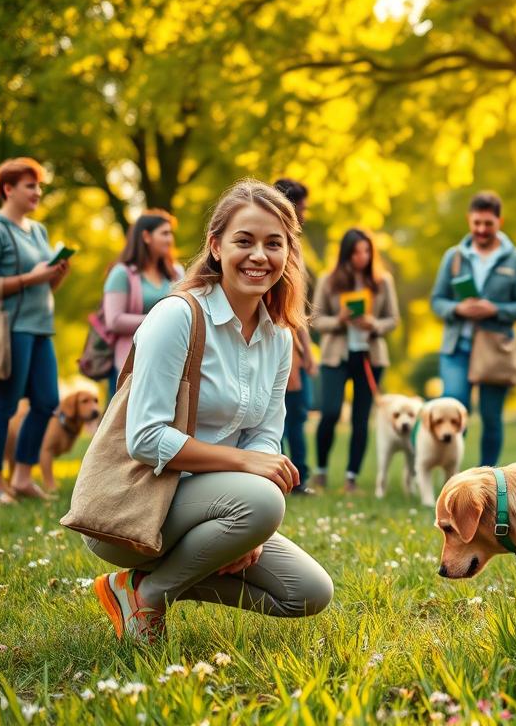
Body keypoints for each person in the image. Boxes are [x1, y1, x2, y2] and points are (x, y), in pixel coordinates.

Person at [85, 179, 332, 641]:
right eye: (244, 241)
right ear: (216, 246)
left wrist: (248, 530)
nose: (259, 255)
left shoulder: (278, 337)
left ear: (288, 253)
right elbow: (145, 438)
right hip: (136, 508)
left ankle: (137, 589)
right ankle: (150, 600)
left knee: (308, 592)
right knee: (263, 501)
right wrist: (246, 474)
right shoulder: (178, 316)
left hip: (224, 508)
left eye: (273, 243)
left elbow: (265, 433)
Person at [0, 158, 71, 504]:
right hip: (10, 330)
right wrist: (33, 277)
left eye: (39, 186)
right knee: (4, 405)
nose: (37, 192)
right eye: (30, 186)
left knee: (47, 402)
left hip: (40, 328)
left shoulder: (38, 231)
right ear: (8, 189)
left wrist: (56, 275)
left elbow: (42, 286)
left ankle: (23, 478)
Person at [430, 191, 516, 466]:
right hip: (457, 348)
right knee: (453, 409)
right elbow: (437, 301)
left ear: (500, 221)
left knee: (491, 417)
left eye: (488, 223)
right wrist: (457, 309)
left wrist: (495, 309)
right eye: (476, 223)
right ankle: (453, 476)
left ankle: (487, 476)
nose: (481, 229)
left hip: (495, 350)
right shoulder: (453, 257)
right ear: (469, 220)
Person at [312, 228, 398, 492]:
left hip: (369, 357)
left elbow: (393, 319)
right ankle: (321, 471)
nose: (362, 257)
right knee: (330, 412)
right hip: (336, 356)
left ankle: (351, 478)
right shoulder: (328, 280)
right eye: (356, 252)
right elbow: (316, 320)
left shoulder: (382, 281)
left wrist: (374, 325)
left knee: (361, 419)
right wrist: (339, 320)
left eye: (366, 251)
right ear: (346, 254)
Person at [103, 210, 182, 399]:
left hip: (168, 360)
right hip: (130, 363)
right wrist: (158, 319)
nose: (170, 239)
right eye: (164, 233)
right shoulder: (121, 273)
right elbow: (114, 321)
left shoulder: (176, 273)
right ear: (146, 236)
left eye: (171, 233)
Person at [273, 178, 318, 494]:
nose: (304, 214)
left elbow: (297, 305)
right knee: (280, 413)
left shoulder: (295, 245)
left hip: (293, 340)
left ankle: (298, 475)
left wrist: (306, 349)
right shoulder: (278, 245)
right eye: (301, 207)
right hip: (278, 338)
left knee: (297, 411)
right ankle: (282, 475)